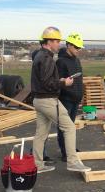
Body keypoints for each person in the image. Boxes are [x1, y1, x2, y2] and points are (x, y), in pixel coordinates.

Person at [31, 26, 91, 173]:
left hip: (39, 99)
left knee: (41, 133)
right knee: (69, 127)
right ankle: (72, 162)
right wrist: (64, 82)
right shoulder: (47, 59)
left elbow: (46, 80)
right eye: (57, 41)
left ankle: (37, 165)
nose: (59, 44)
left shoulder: (40, 56)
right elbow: (47, 83)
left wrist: (60, 80)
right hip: (47, 100)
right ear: (49, 41)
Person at [56, 33, 84, 162]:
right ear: (69, 45)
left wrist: (80, 94)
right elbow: (60, 82)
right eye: (76, 47)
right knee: (64, 126)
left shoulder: (76, 60)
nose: (78, 50)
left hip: (76, 98)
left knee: (71, 126)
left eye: (79, 48)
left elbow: (79, 79)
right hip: (66, 99)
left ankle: (71, 149)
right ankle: (65, 152)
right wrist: (70, 93)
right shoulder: (61, 61)